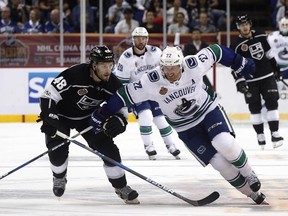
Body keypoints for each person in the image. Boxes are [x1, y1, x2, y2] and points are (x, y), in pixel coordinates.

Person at [89, 44, 267, 204]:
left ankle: (249, 174)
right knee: (219, 162)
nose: (170, 71)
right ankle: (251, 194)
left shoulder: (193, 65)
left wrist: (240, 62)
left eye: (173, 67)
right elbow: (123, 95)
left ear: (181, 64)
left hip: (208, 111)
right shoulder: (150, 81)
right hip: (185, 127)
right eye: (166, 67)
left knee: (223, 142)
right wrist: (102, 113)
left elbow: (216, 51)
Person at [38, 45, 139, 204]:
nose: (108, 69)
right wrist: (49, 118)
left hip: (88, 119)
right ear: (93, 65)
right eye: (103, 65)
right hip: (61, 117)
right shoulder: (74, 74)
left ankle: (121, 186)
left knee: (109, 150)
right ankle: (59, 177)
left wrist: (119, 122)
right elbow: (48, 96)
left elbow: (123, 108)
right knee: (57, 149)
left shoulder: (112, 83)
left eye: (110, 65)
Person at [114, 27, 181, 160]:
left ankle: (171, 145)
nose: (141, 40)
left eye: (144, 37)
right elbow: (122, 82)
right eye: (138, 37)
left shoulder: (156, 52)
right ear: (133, 39)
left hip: (155, 91)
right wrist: (128, 101)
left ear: (147, 39)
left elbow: (166, 71)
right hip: (137, 93)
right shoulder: (126, 57)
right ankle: (149, 145)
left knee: (161, 120)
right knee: (145, 115)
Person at [230, 14, 284, 150]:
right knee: (254, 107)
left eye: (246, 24)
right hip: (250, 80)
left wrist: (276, 67)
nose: (245, 27)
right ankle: (260, 135)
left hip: (267, 76)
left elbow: (268, 54)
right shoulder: (236, 45)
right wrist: (239, 81)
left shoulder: (260, 35)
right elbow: (234, 66)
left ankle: (275, 133)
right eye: (242, 25)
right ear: (238, 27)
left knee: (272, 102)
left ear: (250, 24)